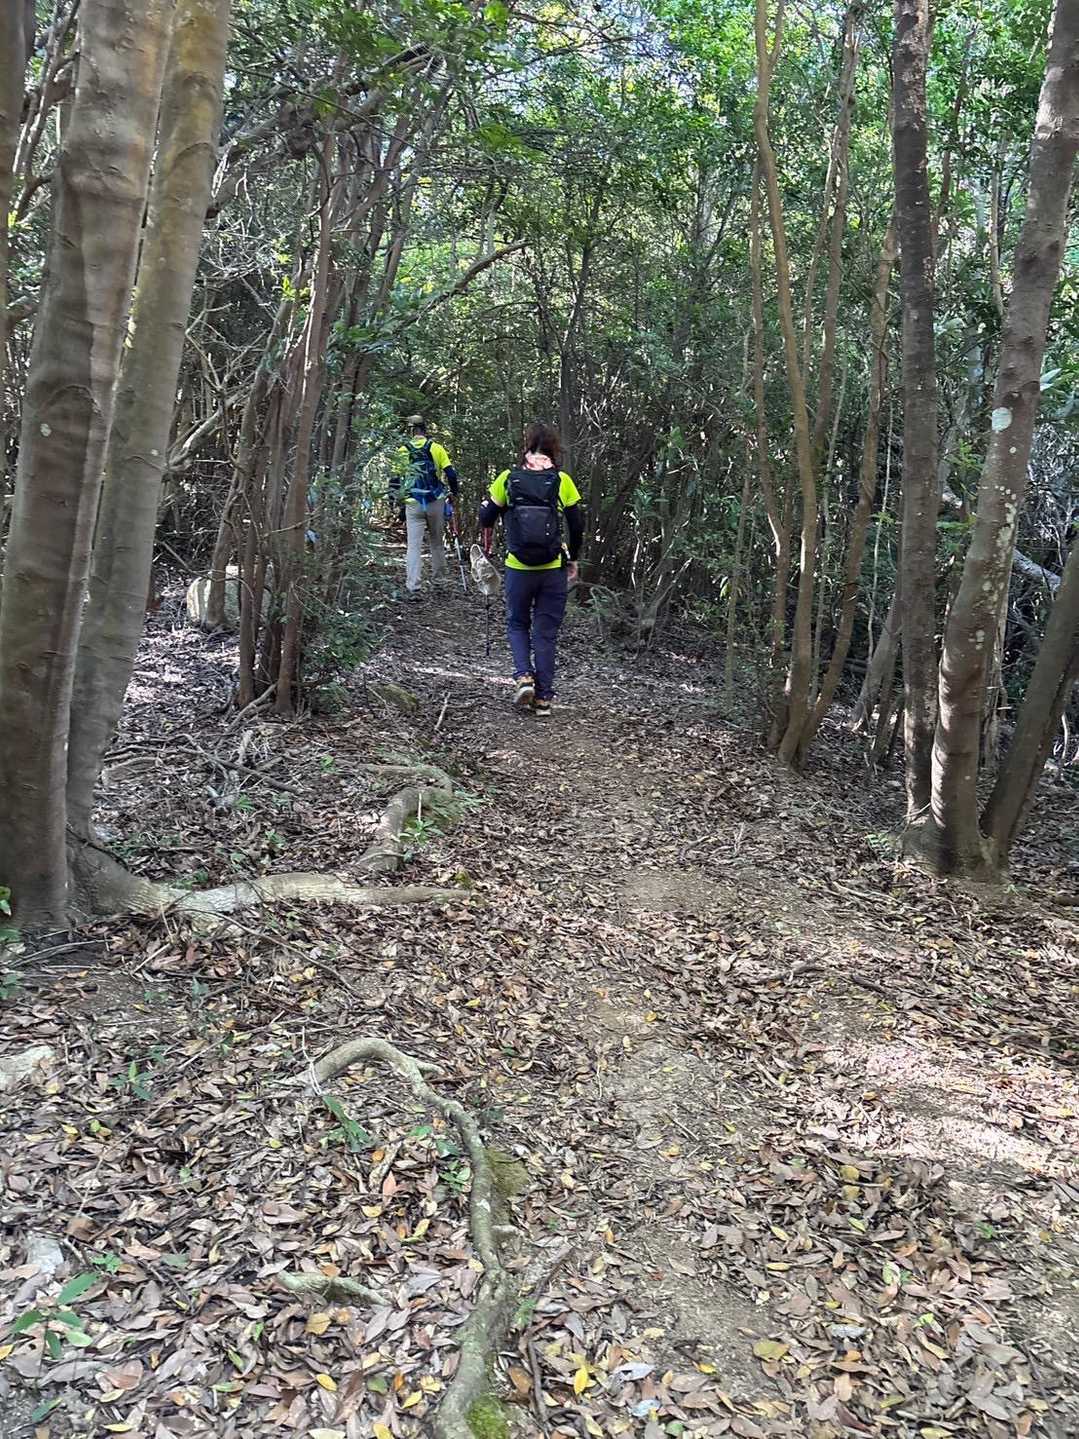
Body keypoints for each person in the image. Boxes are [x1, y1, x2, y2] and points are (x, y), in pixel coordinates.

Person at [478, 420, 583, 718]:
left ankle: (524, 676)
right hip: (552, 568)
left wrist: (492, 505)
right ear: (553, 449)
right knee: (545, 632)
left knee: (517, 624)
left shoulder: (508, 478)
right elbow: (577, 525)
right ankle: (544, 699)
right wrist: (573, 558)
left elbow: (486, 518)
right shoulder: (562, 480)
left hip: (518, 567)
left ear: (526, 446)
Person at [392, 415, 459, 595]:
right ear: (425, 429)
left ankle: (413, 586)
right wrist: (454, 493)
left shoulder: (402, 450)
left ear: (410, 431)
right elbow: (451, 474)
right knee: (436, 543)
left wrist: (395, 502)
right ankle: (439, 583)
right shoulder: (437, 448)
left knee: (413, 547)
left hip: (413, 503)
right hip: (435, 501)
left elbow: (394, 480)